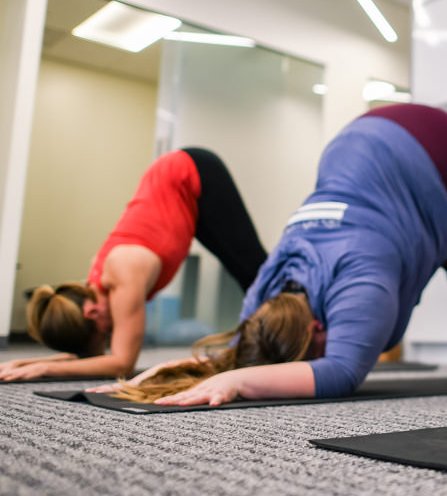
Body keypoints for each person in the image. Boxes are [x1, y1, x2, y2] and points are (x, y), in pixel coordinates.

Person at [115, 104, 447, 406]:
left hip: (433, 144)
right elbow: (242, 351)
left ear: (317, 328)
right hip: (359, 146)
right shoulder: (263, 298)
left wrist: (238, 383)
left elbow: (338, 372)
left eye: (313, 351)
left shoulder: (360, 279)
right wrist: (169, 372)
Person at [0, 148, 267, 382]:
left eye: (105, 332)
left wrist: (45, 369)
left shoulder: (122, 274)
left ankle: (295, 347)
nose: (111, 332)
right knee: (253, 279)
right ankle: (274, 346)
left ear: (92, 313)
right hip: (178, 189)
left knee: (259, 275)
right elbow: (93, 357)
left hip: (192, 171)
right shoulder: (94, 288)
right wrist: (28, 363)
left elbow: (122, 363)